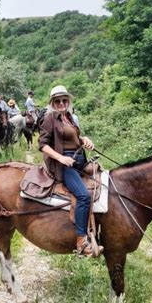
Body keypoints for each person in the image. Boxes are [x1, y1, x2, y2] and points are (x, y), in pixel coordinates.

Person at [38, 85, 104, 257]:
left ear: (68, 101)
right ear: (52, 102)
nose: (61, 103)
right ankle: (81, 239)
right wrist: (60, 158)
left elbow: (74, 138)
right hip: (64, 164)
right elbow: (43, 145)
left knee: (102, 180)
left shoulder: (69, 117)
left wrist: (85, 140)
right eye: (58, 101)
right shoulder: (49, 118)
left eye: (64, 100)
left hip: (79, 160)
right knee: (83, 196)